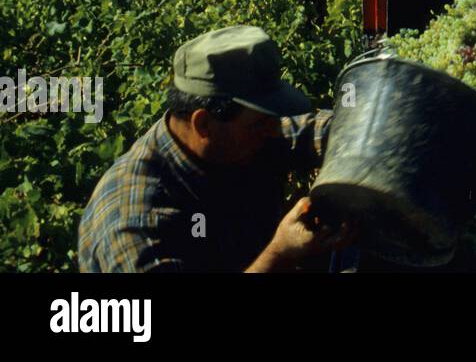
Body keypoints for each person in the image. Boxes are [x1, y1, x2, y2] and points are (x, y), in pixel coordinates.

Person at [78, 25, 356, 272]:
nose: (275, 130)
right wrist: (280, 254)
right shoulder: (138, 223)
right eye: (261, 123)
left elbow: (315, 130)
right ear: (204, 124)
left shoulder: (240, 137)